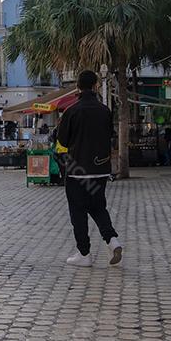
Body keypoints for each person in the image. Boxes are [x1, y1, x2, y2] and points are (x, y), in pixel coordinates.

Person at [56, 70, 123, 267]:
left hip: (78, 171)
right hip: (101, 169)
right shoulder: (105, 110)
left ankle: (83, 253)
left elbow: (62, 140)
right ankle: (112, 240)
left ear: (78, 86)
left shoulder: (72, 111)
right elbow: (110, 135)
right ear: (95, 85)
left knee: (78, 211)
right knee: (98, 207)